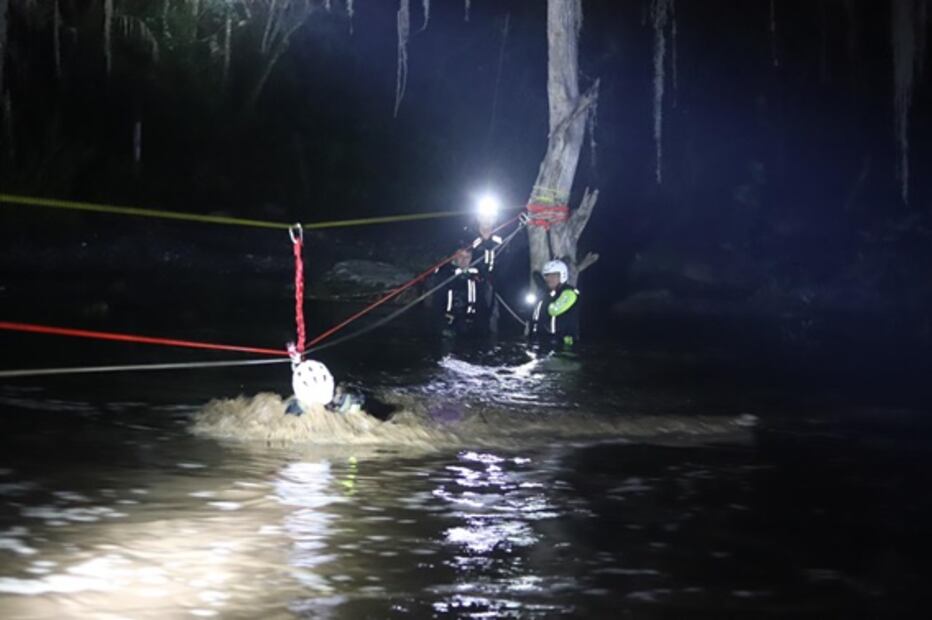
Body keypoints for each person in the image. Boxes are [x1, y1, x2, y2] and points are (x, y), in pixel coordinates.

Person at [529, 259, 580, 351]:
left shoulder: (569, 293)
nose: (549, 279)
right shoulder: (545, 293)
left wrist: (546, 292)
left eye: (554, 275)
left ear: (562, 276)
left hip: (562, 344)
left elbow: (554, 310)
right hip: (541, 341)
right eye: (547, 275)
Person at [436, 247, 484, 338]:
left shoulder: (475, 273)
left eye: (467, 257)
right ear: (454, 257)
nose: (464, 260)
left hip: (469, 319)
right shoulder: (445, 272)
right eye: (460, 256)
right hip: (448, 320)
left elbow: (481, 298)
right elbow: (437, 301)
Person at [469, 216, 504, 334]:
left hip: (495, 283)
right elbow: (469, 261)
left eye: (489, 222)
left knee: (494, 312)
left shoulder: (500, 239)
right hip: (477, 283)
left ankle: (493, 335)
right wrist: (476, 275)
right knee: (479, 312)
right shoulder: (473, 241)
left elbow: (505, 258)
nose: (486, 225)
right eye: (483, 222)